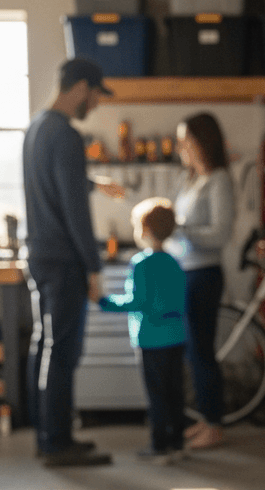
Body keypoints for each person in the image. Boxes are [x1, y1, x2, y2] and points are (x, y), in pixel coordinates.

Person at [23, 57, 125, 467]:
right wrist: (94, 267)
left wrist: (94, 182)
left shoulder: (37, 128)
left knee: (44, 344)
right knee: (63, 351)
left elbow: (56, 182)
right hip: (64, 260)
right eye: (96, 95)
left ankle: (45, 435)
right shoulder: (66, 135)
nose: (96, 104)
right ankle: (58, 444)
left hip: (39, 255)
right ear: (81, 87)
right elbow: (75, 212)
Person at [98, 199, 187, 463]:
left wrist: (104, 301)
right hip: (177, 337)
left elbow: (137, 301)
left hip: (151, 339)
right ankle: (178, 443)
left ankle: (159, 445)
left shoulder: (141, 263)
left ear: (145, 230)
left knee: (157, 395)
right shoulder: (175, 262)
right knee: (176, 393)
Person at [170, 113, 235, 450]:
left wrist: (181, 231)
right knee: (193, 353)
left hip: (204, 275)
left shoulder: (219, 180)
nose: (181, 147)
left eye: (186, 140)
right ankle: (207, 419)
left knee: (202, 351)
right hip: (186, 273)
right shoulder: (192, 181)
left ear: (203, 142)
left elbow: (220, 234)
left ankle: (214, 425)